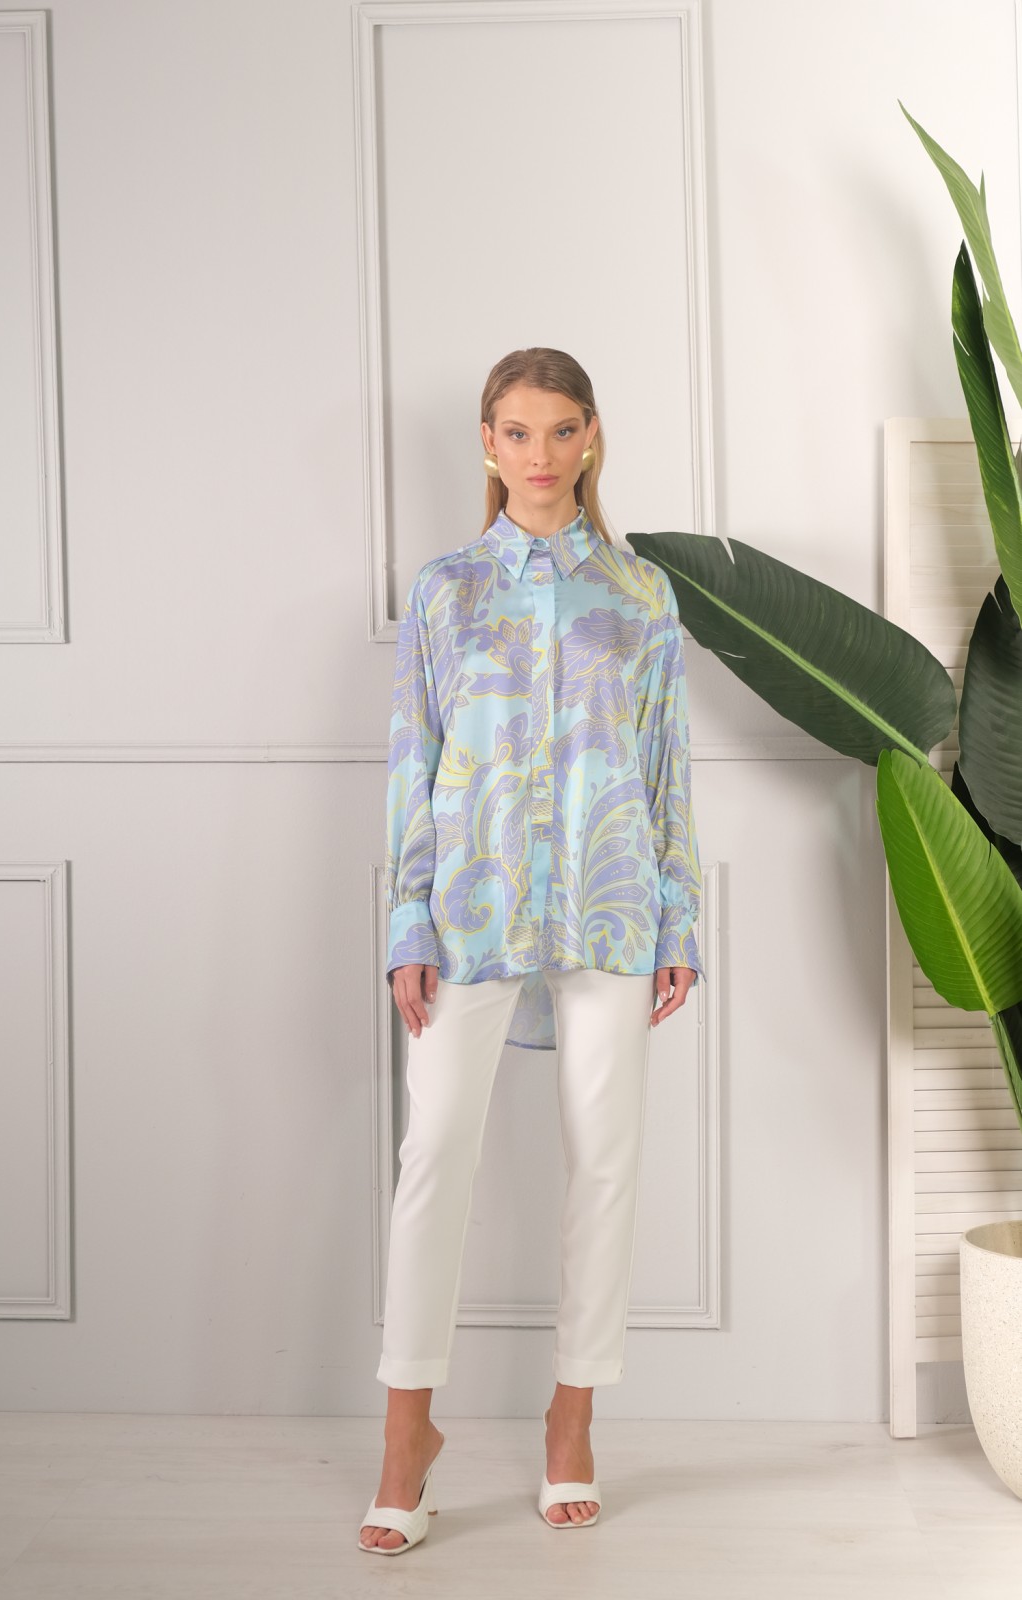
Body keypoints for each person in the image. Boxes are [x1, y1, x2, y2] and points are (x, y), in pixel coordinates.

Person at [359, 347, 704, 1554]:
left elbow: (666, 770)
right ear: (487, 443)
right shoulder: (444, 591)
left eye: (560, 430)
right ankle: (407, 1435)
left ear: (591, 436)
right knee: (432, 1156)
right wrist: (408, 920)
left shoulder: (642, 594)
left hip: (611, 906)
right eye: (516, 431)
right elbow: (412, 763)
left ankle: (572, 1418)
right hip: (473, 905)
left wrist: (679, 918)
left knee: (603, 1161)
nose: (539, 455)